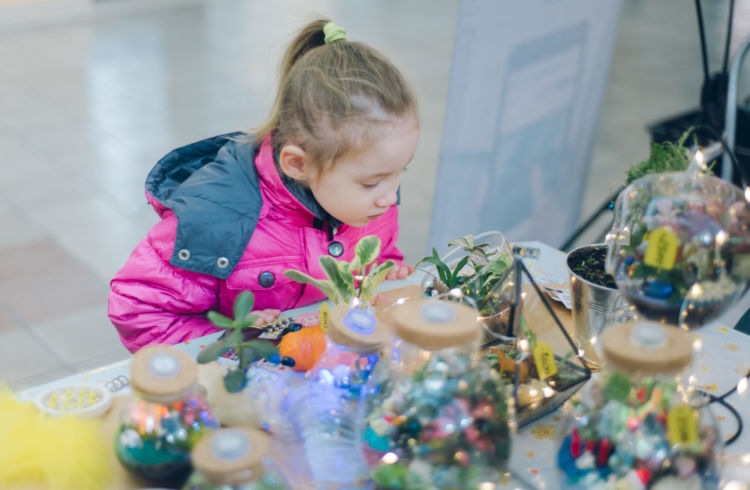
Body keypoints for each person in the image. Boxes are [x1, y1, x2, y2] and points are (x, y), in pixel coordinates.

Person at [108, 19, 419, 353]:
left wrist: (383, 277)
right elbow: (138, 310)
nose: (389, 196)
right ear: (298, 164)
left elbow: (380, 256)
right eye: (371, 182)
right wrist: (229, 339)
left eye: (400, 172)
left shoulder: (370, 201)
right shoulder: (214, 221)